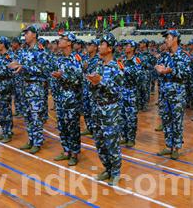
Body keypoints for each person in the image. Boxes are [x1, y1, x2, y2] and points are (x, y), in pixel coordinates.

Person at [87, 33, 124, 186]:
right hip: (97, 108)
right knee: (100, 142)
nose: (99, 46)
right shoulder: (98, 65)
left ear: (109, 49)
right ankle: (107, 169)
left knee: (111, 142)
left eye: (102, 44)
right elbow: (91, 87)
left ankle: (115, 172)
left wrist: (101, 82)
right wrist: (92, 82)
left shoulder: (117, 66)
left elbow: (117, 89)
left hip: (110, 109)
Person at [9, 24, 48, 155]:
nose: (25, 35)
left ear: (34, 35)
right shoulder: (24, 50)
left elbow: (43, 70)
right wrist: (14, 65)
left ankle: (37, 142)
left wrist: (24, 67)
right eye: (24, 33)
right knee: (27, 115)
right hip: (24, 87)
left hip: (36, 87)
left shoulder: (41, 51)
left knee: (36, 116)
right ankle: (31, 140)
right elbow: (19, 64)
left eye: (27, 33)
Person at [155, 30, 191, 159]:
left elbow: (187, 74)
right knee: (166, 119)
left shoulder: (184, 56)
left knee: (177, 120)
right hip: (165, 92)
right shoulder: (164, 56)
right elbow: (159, 69)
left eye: (168, 38)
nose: (166, 40)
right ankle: (168, 145)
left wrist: (169, 70)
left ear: (175, 38)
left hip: (177, 93)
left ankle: (176, 147)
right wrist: (159, 70)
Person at [52, 32, 83, 166]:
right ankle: (66, 151)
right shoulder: (59, 58)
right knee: (62, 126)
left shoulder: (76, 58)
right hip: (60, 97)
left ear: (69, 42)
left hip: (72, 98)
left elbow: (78, 79)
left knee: (73, 127)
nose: (59, 41)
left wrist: (62, 76)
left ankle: (75, 153)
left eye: (62, 39)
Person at [0, 37, 15, 143]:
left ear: (3, 44)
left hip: (6, 86)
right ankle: (4, 131)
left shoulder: (9, 56)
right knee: (0, 110)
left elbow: (5, 72)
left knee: (5, 110)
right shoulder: (0, 57)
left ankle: (8, 133)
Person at [120, 40, 142, 148]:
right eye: (125, 46)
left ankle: (131, 138)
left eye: (128, 46)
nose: (126, 48)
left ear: (133, 48)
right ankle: (124, 137)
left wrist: (125, 70)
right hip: (122, 91)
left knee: (131, 117)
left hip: (131, 91)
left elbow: (138, 76)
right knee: (122, 116)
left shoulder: (136, 61)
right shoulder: (123, 60)